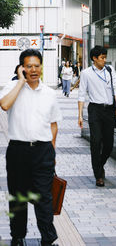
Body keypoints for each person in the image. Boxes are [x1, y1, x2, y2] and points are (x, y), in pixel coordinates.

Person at [0, 49, 62, 246]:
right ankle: (17, 237)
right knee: (18, 197)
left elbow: (53, 124)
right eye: (28, 66)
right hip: (18, 150)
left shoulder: (50, 94)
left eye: (37, 65)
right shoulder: (12, 87)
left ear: (41, 67)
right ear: (21, 68)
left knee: (44, 197)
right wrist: (20, 82)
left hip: (42, 151)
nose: (33, 70)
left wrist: (52, 150)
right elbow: (4, 105)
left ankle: (48, 239)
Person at [78, 45, 116, 187]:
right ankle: (98, 175)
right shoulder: (86, 73)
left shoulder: (110, 70)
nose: (104, 60)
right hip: (95, 110)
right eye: (102, 58)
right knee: (96, 142)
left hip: (109, 110)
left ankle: (100, 164)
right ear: (94, 58)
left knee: (109, 144)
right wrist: (79, 115)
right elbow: (81, 95)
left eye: (105, 57)